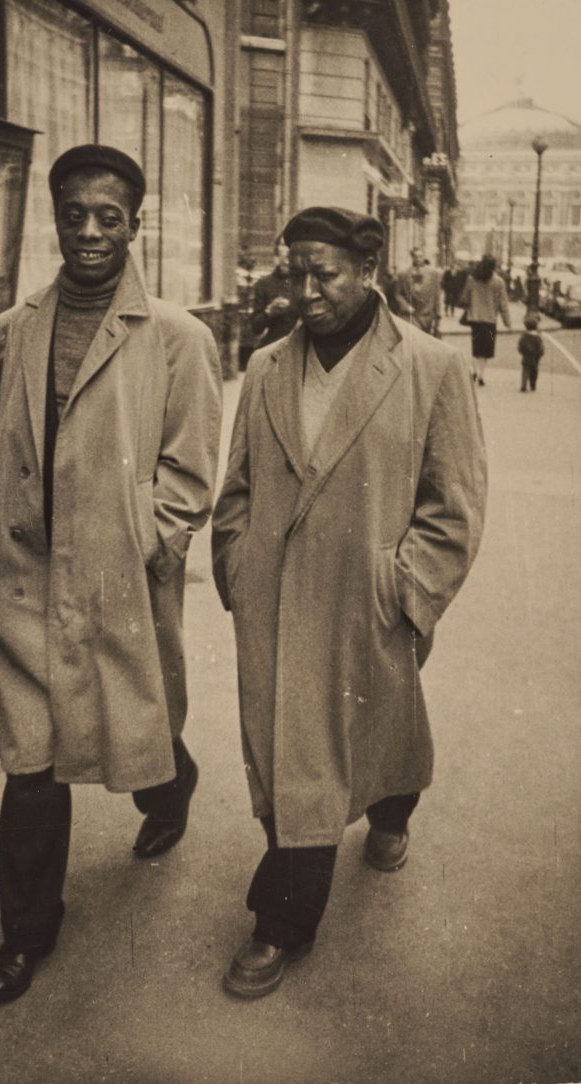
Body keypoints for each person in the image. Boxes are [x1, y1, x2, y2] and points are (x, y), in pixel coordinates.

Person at [0, 145, 222, 1003]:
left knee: (131, 720)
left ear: (136, 224)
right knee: (31, 761)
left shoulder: (179, 338)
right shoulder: (20, 323)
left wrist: (154, 541)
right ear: (56, 220)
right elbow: (2, 441)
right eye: (74, 214)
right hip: (19, 577)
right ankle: (27, 934)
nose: (90, 231)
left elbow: (190, 472)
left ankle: (171, 786)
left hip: (115, 576)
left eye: (109, 216)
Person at [211, 206, 487, 999]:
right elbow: (237, 485)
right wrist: (238, 562)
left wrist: (406, 589)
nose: (305, 290)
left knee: (377, 727)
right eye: (294, 271)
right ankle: (287, 914)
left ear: (368, 271)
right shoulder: (266, 365)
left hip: (367, 598)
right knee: (290, 750)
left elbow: (455, 505)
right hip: (273, 597)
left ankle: (381, 824)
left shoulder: (429, 366)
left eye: (323, 273)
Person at [459, 254, 511, 385]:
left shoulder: (472, 279)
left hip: (475, 319)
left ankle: (474, 370)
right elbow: (503, 304)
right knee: (486, 350)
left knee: (476, 348)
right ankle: (481, 374)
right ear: (494, 267)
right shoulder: (499, 282)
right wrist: (507, 322)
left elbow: (464, 298)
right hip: (490, 320)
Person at [250, 236, 299, 348]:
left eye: (290, 244)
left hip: (299, 349)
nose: (287, 249)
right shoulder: (264, 284)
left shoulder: (303, 282)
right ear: (277, 250)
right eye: (283, 244)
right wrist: (269, 311)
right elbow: (256, 328)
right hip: (273, 348)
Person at [393, 246, 442, 334]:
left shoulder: (433, 274)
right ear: (412, 257)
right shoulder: (403, 274)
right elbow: (398, 294)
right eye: (416, 256)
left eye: (420, 256)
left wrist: (438, 315)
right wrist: (406, 306)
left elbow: (437, 295)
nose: (418, 259)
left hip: (427, 315)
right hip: (411, 315)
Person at [518, 314, 544, 391]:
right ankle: (533, 385)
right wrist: (540, 354)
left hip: (526, 357)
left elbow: (520, 345)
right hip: (535, 358)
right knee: (534, 371)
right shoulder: (538, 337)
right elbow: (541, 348)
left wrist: (522, 352)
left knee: (525, 371)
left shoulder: (524, 336)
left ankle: (523, 385)